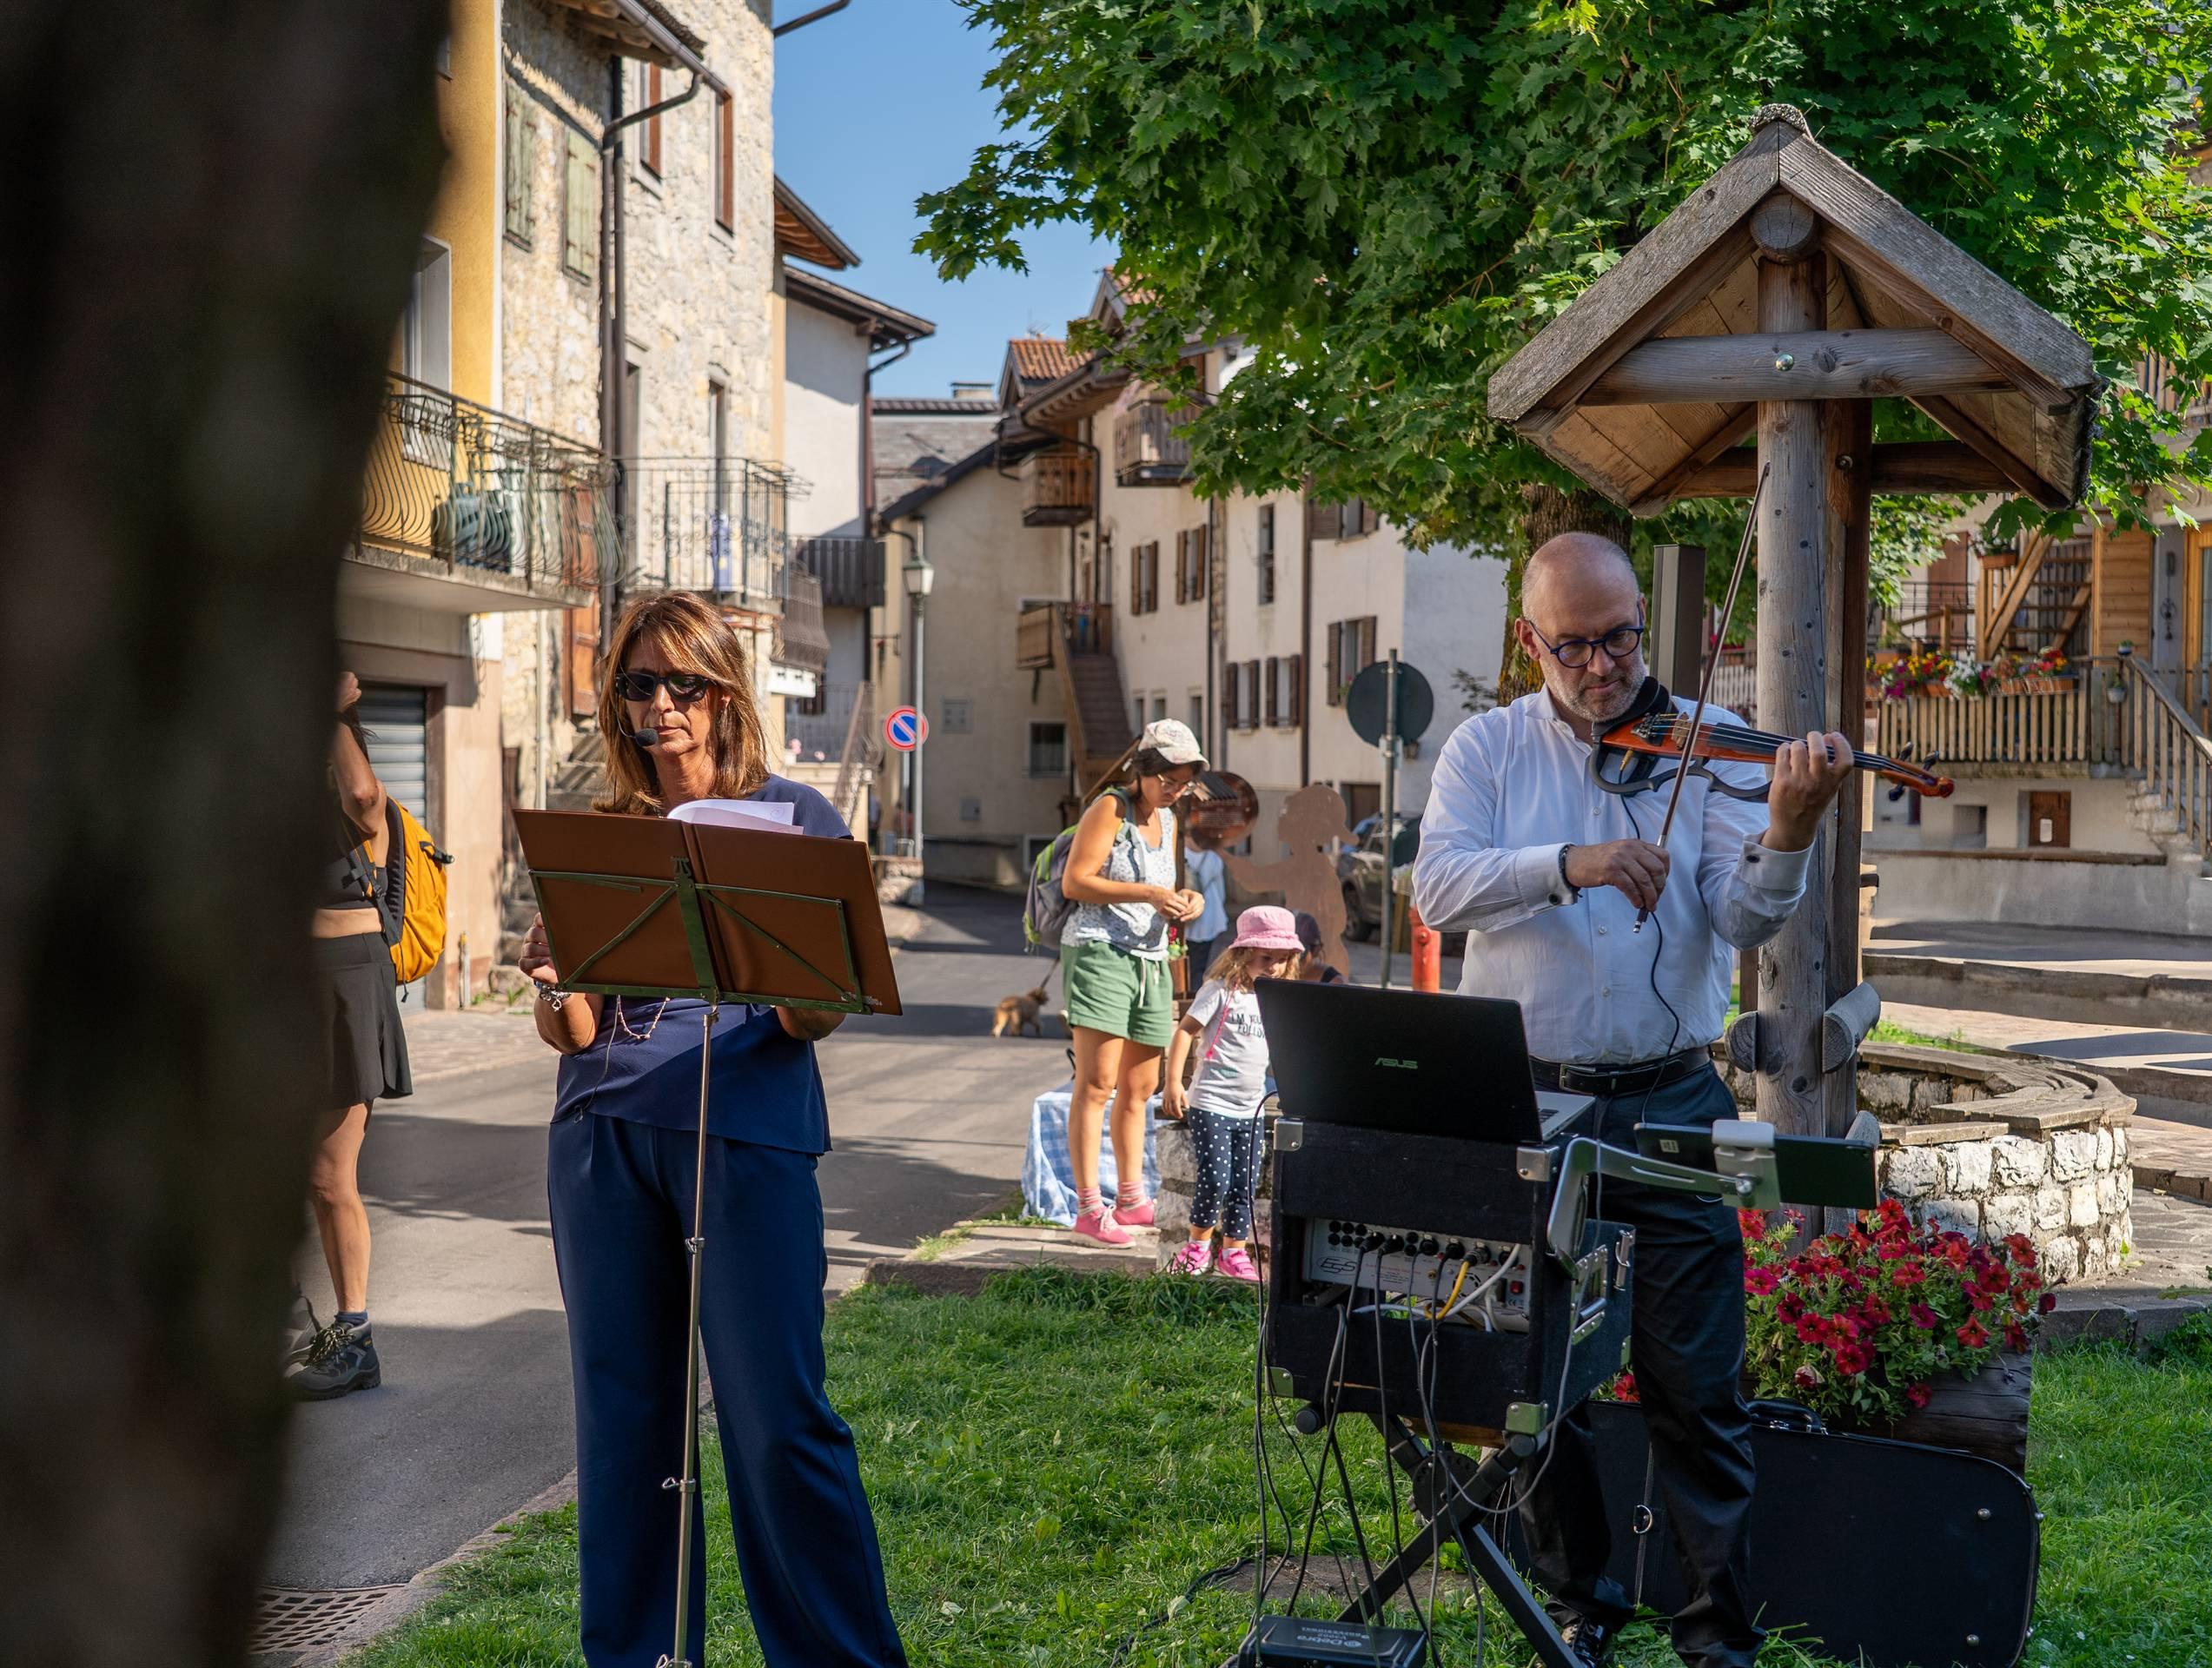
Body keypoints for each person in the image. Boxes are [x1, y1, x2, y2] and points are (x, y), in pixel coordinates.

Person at [1411, 533, 1852, 1668]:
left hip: (1670, 1096)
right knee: (1536, 1371)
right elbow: (1441, 885)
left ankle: (1715, 1633)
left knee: (1694, 1379)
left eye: (1620, 638)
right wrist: (1576, 859)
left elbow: (1743, 915)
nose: (1605, 666)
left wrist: (1789, 834)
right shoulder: (1487, 749)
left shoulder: (1696, 750)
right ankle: (1582, 1597)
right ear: (1530, 642)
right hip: (1531, 1101)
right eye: (1576, 645)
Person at [520, 592, 906, 1668]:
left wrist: (791, 964)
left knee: (775, 1420)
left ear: (725, 693)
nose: (659, 705)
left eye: (681, 683)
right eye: (638, 685)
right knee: (624, 1422)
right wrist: (553, 985)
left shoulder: (798, 820)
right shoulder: (595, 835)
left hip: (745, 1130)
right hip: (600, 1136)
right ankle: (642, 1656)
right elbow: (575, 1027)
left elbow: (813, 1013)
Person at [292, 671, 413, 1400]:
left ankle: (355, 1338)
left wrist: (336, 715)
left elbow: (366, 801)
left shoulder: (360, 798)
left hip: (346, 982)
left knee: (329, 1176)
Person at [1057, 718, 1208, 1248]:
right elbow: (1075, 881)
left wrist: (1191, 901)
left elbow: (1168, 886)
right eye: (1168, 775)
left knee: (1140, 1088)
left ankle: (1130, 1197)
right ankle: (1088, 1207)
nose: (1175, 786)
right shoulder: (1109, 808)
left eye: (1184, 778)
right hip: (1099, 953)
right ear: (1144, 769)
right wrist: (1145, 894)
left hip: (1151, 957)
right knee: (1096, 1084)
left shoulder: (1168, 818)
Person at [1159, 906, 1303, 1281]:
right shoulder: (1220, 992)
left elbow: (1283, 1051)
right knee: (1216, 1179)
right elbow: (1183, 1033)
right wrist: (1174, 1082)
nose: (1273, 966)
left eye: (1282, 959)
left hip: (1250, 1108)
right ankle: (1197, 1247)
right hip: (1212, 1103)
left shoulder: (1275, 1000)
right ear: (1243, 953)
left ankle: (1233, 1253)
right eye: (1266, 957)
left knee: (1245, 1182)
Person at [1182, 829, 1229, 976]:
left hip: (1184, 910)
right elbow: (1220, 891)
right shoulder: (1213, 856)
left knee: (1182, 962)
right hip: (1210, 915)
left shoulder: (1178, 852)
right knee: (1200, 965)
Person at [1292, 910, 1346, 985]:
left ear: (1316, 950)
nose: (1292, 962)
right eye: (1285, 956)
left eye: (1298, 955)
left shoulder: (1334, 983)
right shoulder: (1275, 972)